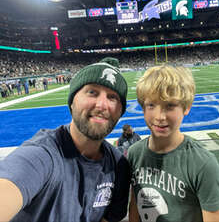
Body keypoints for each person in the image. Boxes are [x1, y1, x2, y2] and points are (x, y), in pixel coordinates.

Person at [0, 57, 131, 222]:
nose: (101, 105)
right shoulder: (42, 156)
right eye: (92, 92)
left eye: (112, 97)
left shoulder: (119, 166)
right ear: (72, 102)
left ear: (120, 111)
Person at [127, 65, 219, 222]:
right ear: (143, 108)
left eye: (170, 106)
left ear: (186, 107)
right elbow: (136, 205)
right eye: (151, 105)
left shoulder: (203, 164)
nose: (160, 116)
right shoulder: (134, 153)